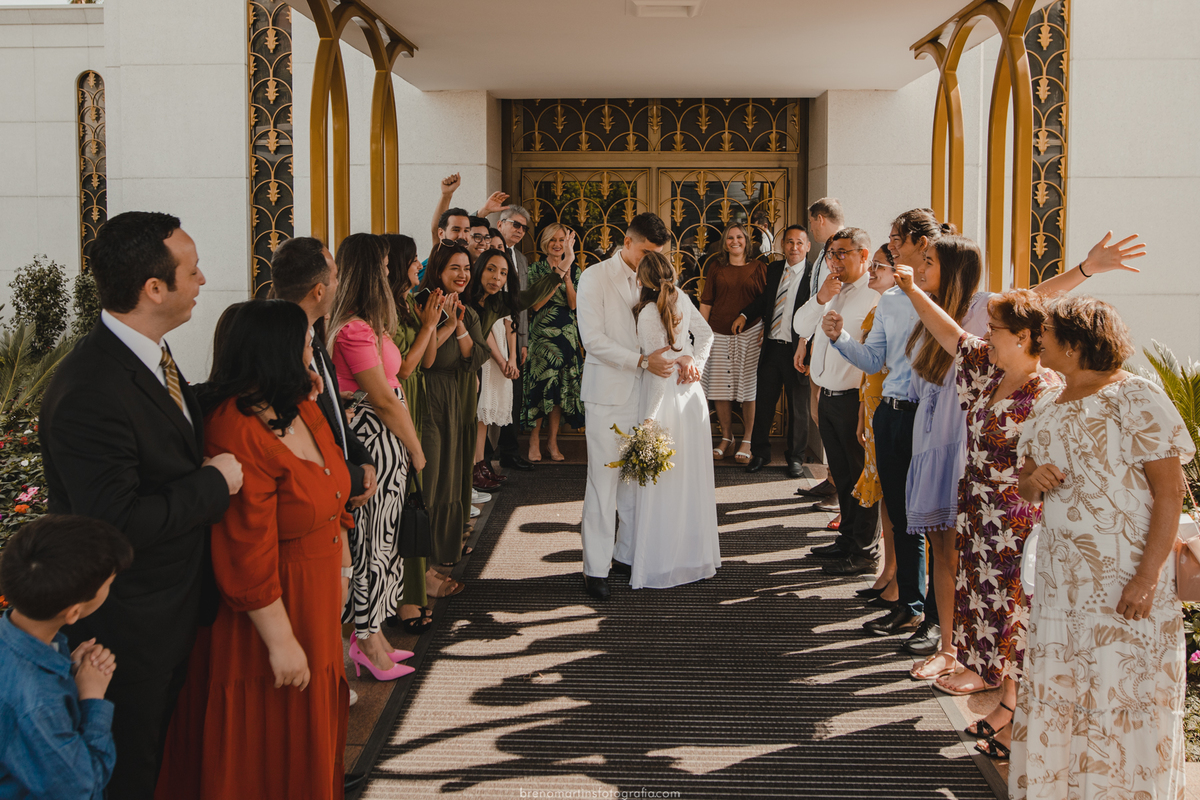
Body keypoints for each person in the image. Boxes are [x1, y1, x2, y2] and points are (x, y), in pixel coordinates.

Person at [39, 211, 243, 799]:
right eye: (191, 267)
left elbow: (170, 427)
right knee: (126, 772)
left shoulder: (151, 353)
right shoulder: (89, 388)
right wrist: (214, 484)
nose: (203, 278)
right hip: (125, 628)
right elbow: (116, 522)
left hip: (169, 612)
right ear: (154, 289)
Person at [159, 300, 357, 799]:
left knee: (310, 724)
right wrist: (281, 641)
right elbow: (244, 546)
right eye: (306, 344)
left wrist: (344, 563)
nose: (315, 353)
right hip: (269, 607)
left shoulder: (302, 407)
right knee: (269, 731)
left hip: (316, 593)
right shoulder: (233, 427)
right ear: (276, 352)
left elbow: (336, 485)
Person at [1011, 296, 1190, 798]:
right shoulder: (1046, 401)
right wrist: (1035, 481)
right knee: (1063, 681)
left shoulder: (1136, 396)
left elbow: (1170, 491)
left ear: (1075, 341)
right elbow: (1024, 484)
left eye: (1044, 332)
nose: (1036, 340)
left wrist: (1148, 576)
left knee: (1121, 686)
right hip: (1060, 580)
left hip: (1124, 575)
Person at [894, 267, 1059, 744]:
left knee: (1016, 612)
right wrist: (911, 291)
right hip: (979, 510)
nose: (987, 334)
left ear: (1026, 337)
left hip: (1019, 520)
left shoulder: (1046, 391)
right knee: (989, 607)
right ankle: (1004, 697)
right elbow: (950, 333)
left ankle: (1013, 712)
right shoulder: (991, 369)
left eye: (998, 329)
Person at [328, 233, 427, 678]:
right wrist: (417, 448)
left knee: (384, 543)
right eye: (385, 266)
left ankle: (375, 635)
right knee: (368, 545)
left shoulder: (369, 324)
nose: (390, 272)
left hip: (387, 440)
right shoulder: (351, 328)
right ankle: (366, 639)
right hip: (375, 438)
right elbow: (384, 398)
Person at [576, 212, 679, 600]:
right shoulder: (594, 277)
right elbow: (593, 339)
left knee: (637, 484)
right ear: (627, 240)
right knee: (602, 485)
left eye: (658, 254)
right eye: (645, 252)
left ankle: (628, 554)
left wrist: (683, 360)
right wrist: (639, 361)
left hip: (649, 396)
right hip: (608, 393)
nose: (650, 260)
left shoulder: (659, 277)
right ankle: (595, 567)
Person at [0, 515, 131, 800]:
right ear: (73, 612)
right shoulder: (37, 703)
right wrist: (92, 698)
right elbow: (80, 789)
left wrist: (67, 670)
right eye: (108, 583)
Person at [792, 228, 881, 576]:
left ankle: (864, 551)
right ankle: (845, 539)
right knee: (841, 477)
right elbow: (799, 324)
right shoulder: (831, 289)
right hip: (826, 397)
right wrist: (819, 298)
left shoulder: (874, 296)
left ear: (864, 254)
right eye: (832, 254)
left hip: (854, 400)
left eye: (843, 253)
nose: (836, 260)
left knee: (861, 478)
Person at [627, 252, 719, 589]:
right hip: (690, 398)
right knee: (688, 479)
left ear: (641, 279)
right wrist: (692, 361)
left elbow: (660, 367)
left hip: (663, 401)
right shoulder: (682, 298)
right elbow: (706, 335)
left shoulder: (648, 313)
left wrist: (648, 420)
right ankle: (692, 556)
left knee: (660, 482)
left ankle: (660, 561)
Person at [269, 237, 378, 517]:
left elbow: (331, 420)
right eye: (336, 277)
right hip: (311, 504)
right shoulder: (275, 353)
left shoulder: (314, 335)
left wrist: (363, 461)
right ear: (319, 291)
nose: (339, 285)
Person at [383, 233, 445, 631]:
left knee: (416, 500)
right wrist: (428, 327)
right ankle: (405, 600)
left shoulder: (408, 302)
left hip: (416, 398)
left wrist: (438, 325)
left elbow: (426, 363)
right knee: (404, 505)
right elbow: (403, 368)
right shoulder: (386, 310)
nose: (419, 266)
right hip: (398, 402)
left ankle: (417, 588)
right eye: (414, 261)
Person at [418, 243, 493, 570]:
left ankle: (449, 546)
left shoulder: (469, 310)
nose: (463, 275)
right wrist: (449, 324)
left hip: (461, 396)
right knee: (434, 475)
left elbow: (477, 356)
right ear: (438, 270)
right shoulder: (423, 305)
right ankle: (425, 560)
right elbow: (428, 360)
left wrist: (460, 324)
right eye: (455, 268)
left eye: (466, 268)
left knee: (456, 471)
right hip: (432, 397)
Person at [732, 224, 814, 476]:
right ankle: (760, 454)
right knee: (764, 404)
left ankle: (796, 458)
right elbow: (765, 301)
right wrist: (745, 314)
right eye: (789, 242)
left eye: (800, 242)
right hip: (771, 349)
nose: (794, 247)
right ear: (783, 246)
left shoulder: (814, 276)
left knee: (798, 408)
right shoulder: (774, 269)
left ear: (808, 247)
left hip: (798, 351)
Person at [699, 222, 768, 464]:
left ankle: (747, 439)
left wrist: (767, 328)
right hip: (717, 332)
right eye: (730, 238)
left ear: (747, 241)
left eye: (739, 237)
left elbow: (768, 303)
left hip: (751, 334)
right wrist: (701, 334)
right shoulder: (716, 267)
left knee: (748, 389)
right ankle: (726, 438)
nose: (734, 241)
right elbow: (706, 301)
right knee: (720, 388)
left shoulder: (760, 268)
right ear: (724, 243)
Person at [853, 249, 898, 608]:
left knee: (895, 497)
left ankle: (896, 576)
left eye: (878, 266)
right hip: (871, 404)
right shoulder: (879, 307)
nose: (872, 270)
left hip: (891, 404)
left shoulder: (901, 309)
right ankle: (886, 570)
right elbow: (869, 365)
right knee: (882, 491)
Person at [794, 197, 846, 498]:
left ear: (820, 219)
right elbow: (816, 299)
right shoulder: (825, 253)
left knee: (825, 414)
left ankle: (839, 483)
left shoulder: (841, 252)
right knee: (818, 413)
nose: (812, 228)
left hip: (834, 345)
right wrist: (804, 342)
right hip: (816, 341)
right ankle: (831, 476)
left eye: (812, 222)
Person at [523, 223, 585, 462]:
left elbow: (573, 305)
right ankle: (534, 440)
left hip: (566, 336)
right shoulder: (535, 269)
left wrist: (568, 279)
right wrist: (558, 274)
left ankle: (552, 441)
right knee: (540, 388)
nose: (558, 244)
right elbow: (536, 304)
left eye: (562, 240)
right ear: (545, 243)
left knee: (559, 391)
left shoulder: (576, 270)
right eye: (553, 240)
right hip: (541, 336)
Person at [495, 204, 536, 471]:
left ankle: (509, 452)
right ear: (500, 224)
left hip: (514, 337)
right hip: (492, 331)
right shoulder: (489, 252)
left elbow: (520, 304)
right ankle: (485, 456)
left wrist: (522, 341)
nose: (520, 230)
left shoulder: (521, 259)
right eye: (515, 224)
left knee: (513, 395)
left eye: (524, 227)